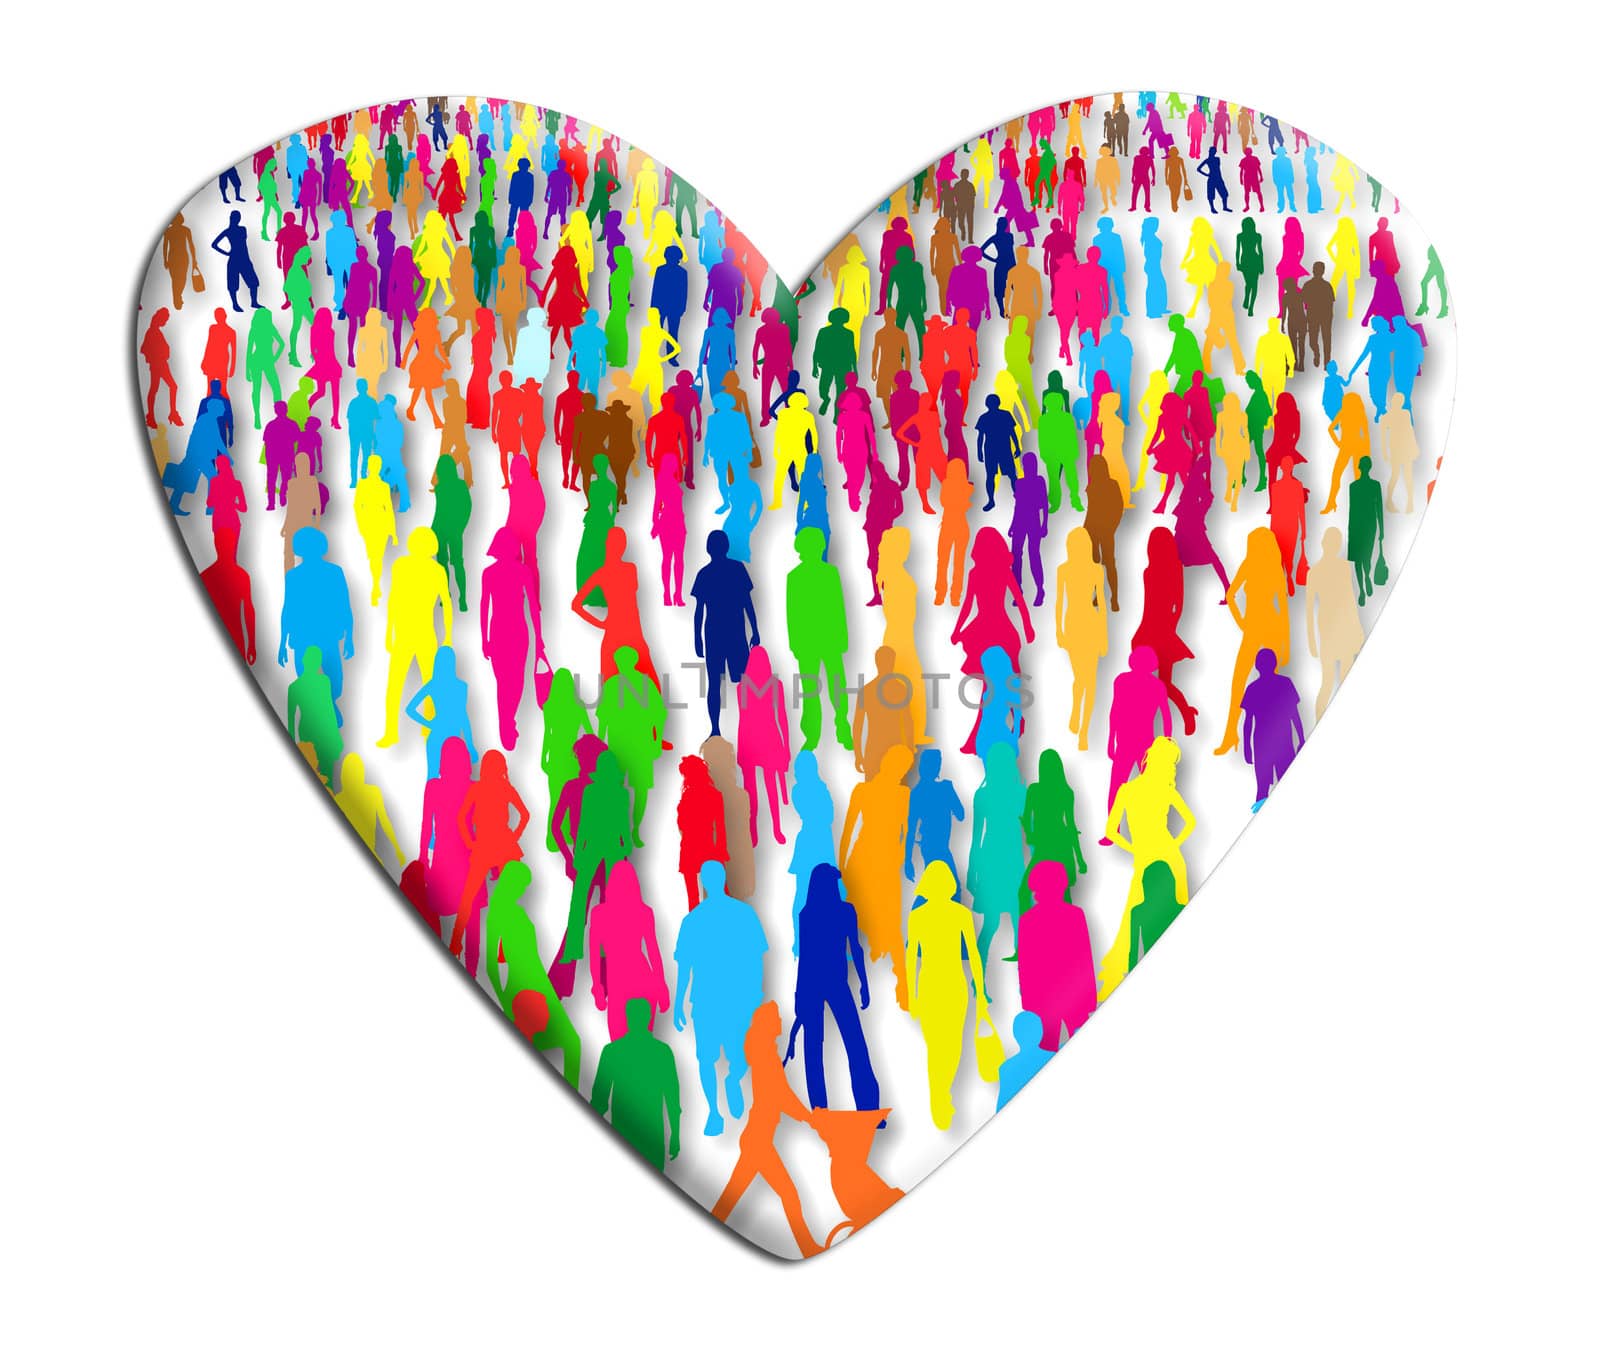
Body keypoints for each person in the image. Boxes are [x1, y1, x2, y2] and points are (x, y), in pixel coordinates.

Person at [673, 861, 768, 1137]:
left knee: (710, 1058)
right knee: (731, 1054)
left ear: (704, 882)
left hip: (711, 1001)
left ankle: (723, 1097)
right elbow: (757, 957)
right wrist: (756, 991)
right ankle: (717, 1108)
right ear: (724, 879)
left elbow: (684, 966)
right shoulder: (742, 914)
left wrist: (680, 1001)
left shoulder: (693, 921)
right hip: (730, 999)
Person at [905, 861, 991, 1131]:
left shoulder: (955, 915)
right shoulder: (929, 916)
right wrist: (980, 987)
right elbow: (910, 958)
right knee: (947, 1046)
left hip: (939, 985)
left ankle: (940, 1093)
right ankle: (939, 1096)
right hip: (948, 985)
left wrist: (913, 995)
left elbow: (973, 955)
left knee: (945, 1047)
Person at [591, 998, 681, 1172]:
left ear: (628, 1018)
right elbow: (672, 1100)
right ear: (649, 1018)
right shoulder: (662, 1052)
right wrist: (675, 1135)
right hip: (652, 1138)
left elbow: (599, 1102)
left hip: (622, 1135)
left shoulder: (612, 1052)